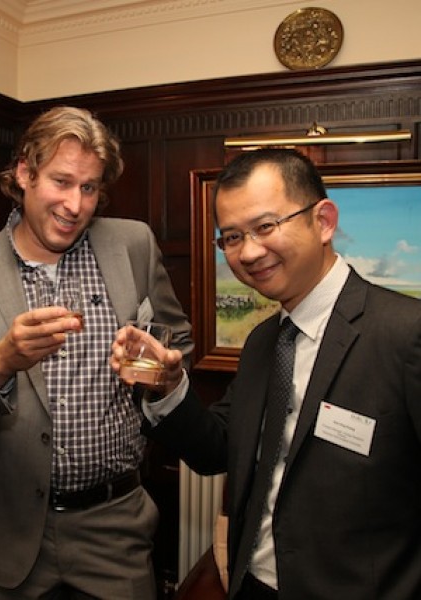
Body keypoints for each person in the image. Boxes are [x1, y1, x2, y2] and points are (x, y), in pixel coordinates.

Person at [111, 148, 421, 599]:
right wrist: (167, 385)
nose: (250, 252)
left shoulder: (405, 334)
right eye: (232, 237)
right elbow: (218, 449)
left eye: (265, 227)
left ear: (324, 222)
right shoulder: (264, 342)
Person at [0, 106, 193, 600]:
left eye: (89, 188)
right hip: (7, 530)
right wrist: (2, 360)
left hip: (115, 526)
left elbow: (178, 342)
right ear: (25, 173)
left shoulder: (132, 244)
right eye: (61, 182)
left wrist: (159, 371)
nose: (75, 204)